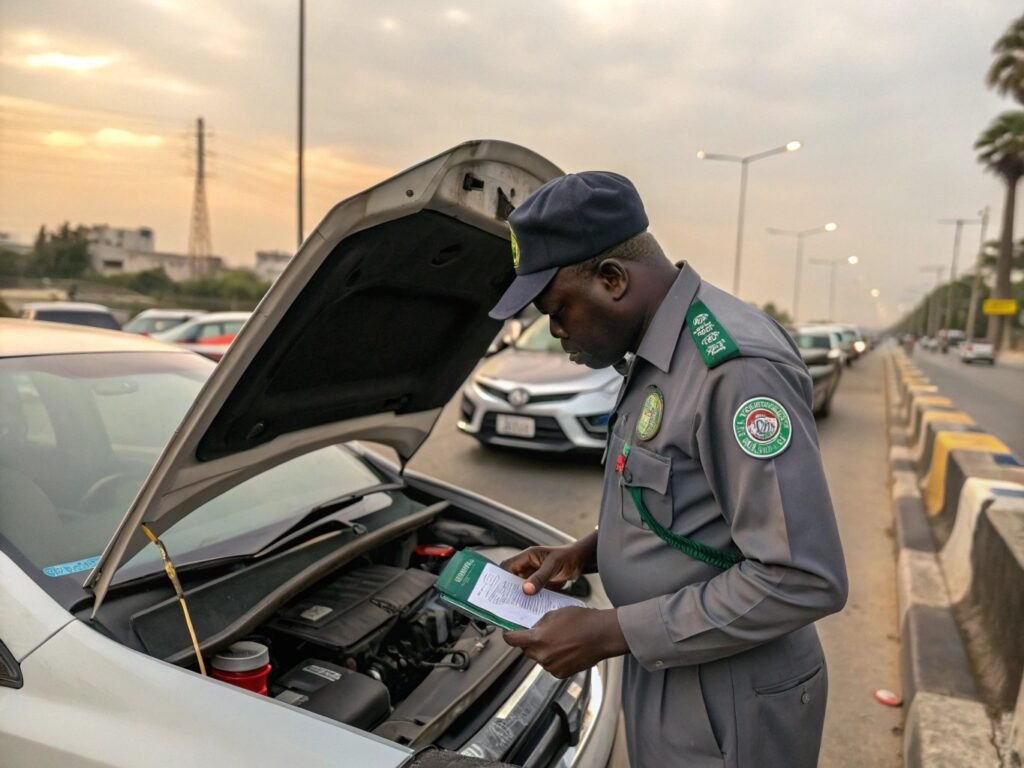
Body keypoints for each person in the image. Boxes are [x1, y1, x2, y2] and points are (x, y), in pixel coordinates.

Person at [490, 172, 848, 768]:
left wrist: (610, 633)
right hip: (670, 659)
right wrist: (586, 553)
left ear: (612, 280)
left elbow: (804, 577)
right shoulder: (659, 350)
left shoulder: (733, 370)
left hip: (730, 693)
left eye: (558, 311)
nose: (556, 333)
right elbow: (685, 505)